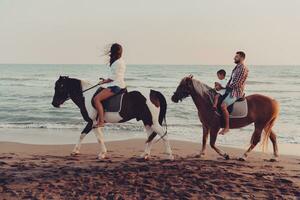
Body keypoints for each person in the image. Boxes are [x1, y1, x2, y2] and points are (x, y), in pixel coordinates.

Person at [93, 43, 126, 127]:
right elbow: (115, 76)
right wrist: (105, 80)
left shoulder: (117, 63)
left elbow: (113, 77)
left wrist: (103, 82)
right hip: (117, 84)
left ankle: (101, 121)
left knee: (96, 99)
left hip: (115, 86)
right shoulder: (120, 61)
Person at [219, 51, 249, 135]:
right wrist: (222, 87)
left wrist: (225, 87)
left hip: (236, 92)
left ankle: (227, 127)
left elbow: (237, 83)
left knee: (223, 106)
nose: (234, 58)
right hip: (230, 89)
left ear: (242, 58)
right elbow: (231, 81)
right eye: (235, 57)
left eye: (236, 57)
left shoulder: (242, 68)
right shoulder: (236, 67)